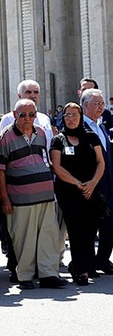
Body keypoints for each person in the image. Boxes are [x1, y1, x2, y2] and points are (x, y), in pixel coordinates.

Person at [0, 99, 66, 290]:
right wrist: (5, 198)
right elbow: (0, 170)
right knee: (23, 239)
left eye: (32, 114)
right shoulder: (6, 137)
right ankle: (25, 276)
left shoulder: (42, 133)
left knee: (48, 236)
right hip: (20, 199)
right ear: (14, 114)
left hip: (45, 196)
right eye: (23, 114)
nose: (28, 119)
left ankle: (48, 274)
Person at [50, 102, 105, 286]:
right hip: (69, 192)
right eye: (67, 115)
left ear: (80, 117)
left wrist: (92, 183)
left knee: (90, 230)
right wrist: (77, 183)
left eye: (74, 115)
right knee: (76, 230)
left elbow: (100, 162)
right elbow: (56, 167)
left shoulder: (91, 137)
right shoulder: (58, 140)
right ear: (63, 117)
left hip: (92, 191)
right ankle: (80, 271)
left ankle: (85, 265)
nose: (71, 118)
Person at [79, 87, 113, 275]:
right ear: (85, 105)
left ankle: (103, 259)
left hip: (107, 183)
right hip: (91, 183)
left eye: (102, 103)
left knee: (109, 225)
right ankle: (88, 263)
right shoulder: (80, 128)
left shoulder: (101, 126)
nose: (101, 107)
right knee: (90, 227)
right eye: (96, 104)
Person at [0, 80, 54, 149]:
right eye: (28, 92)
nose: (33, 95)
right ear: (19, 96)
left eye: (36, 92)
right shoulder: (8, 119)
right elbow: (2, 148)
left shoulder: (45, 119)